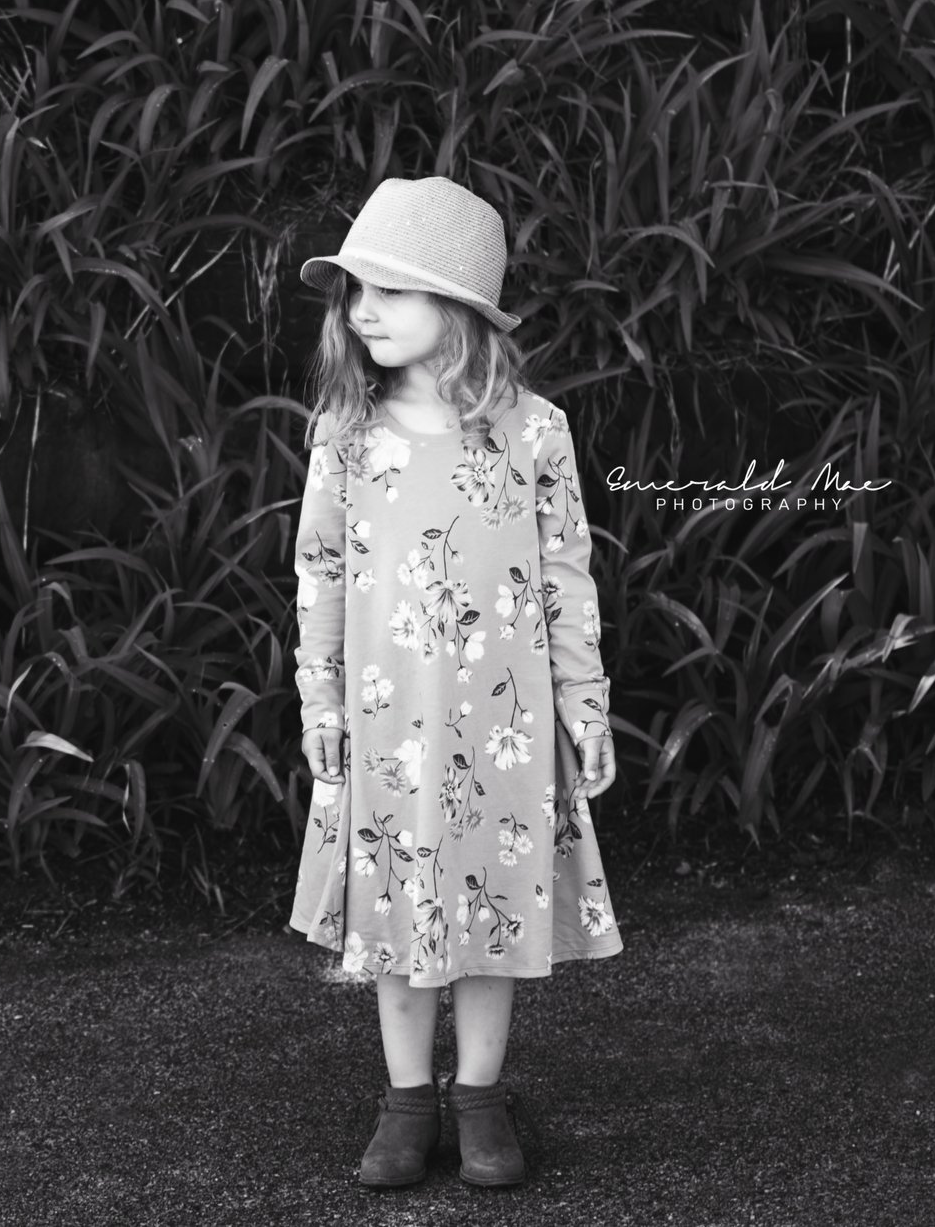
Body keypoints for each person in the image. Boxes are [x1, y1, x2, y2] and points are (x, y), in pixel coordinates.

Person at [285, 173, 622, 1189]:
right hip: (391, 733)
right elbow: (321, 573)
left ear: (462, 305)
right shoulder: (346, 435)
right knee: (395, 915)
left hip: (498, 733)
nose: (363, 309)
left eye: (391, 287)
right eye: (354, 290)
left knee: (487, 910)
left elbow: (565, 571)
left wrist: (584, 700)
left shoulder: (534, 432)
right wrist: (322, 699)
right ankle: (404, 1099)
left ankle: (478, 1094)